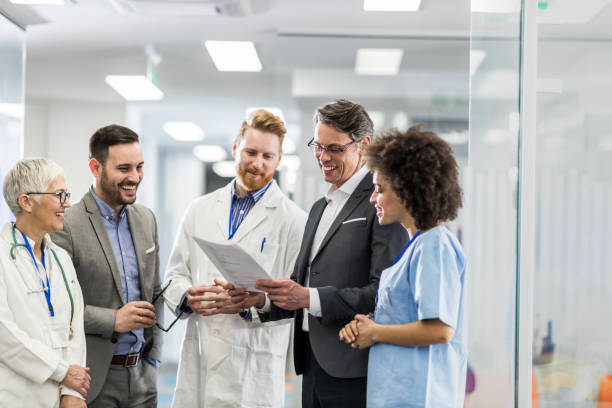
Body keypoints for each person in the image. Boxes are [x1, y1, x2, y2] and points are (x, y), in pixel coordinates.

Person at [243, 99, 408, 408]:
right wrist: (263, 300)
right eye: (318, 146)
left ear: (364, 146)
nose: (323, 157)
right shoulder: (320, 208)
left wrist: (309, 297)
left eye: (334, 148)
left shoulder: (382, 206)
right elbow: (301, 284)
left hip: (356, 369)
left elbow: (384, 293)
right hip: (313, 366)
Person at [162, 109, 306, 407]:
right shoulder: (199, 209)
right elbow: (173, 274)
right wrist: (188, 297)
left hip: (254, 360)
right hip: (202, 348)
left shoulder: (294, 221)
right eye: (251, 152)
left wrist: (257, 300)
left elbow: (296, 299)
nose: (258, 163)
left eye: (268, 156)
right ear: (235, 149)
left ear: (279, 159)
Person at [339, 125, 467, 408]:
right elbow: (406, 316)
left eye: (379, 190)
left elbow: (440, 330)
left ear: (408, 191)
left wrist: (376, 332)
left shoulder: (435, 245)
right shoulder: (417, 246)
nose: (373, 198)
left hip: (420, 397)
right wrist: (368, 326)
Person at [51, 125, 162, 408]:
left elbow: (156, 292)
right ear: (95, 167)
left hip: (142, 378)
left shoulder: (146, 219)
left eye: (139, 167)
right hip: (93, 378)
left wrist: (153, 359)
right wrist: (114, 320)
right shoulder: (67, 224)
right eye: (124, 168)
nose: (135, 177)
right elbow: (57, 308)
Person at [0, 158, 89, 408]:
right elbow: (4, 335)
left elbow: (76, 328)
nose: (67, 204)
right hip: (15, 398)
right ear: (26, 201)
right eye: (59, 195)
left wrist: (74, 392)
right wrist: (62, 371)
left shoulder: (60, 259)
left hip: (61, 398)